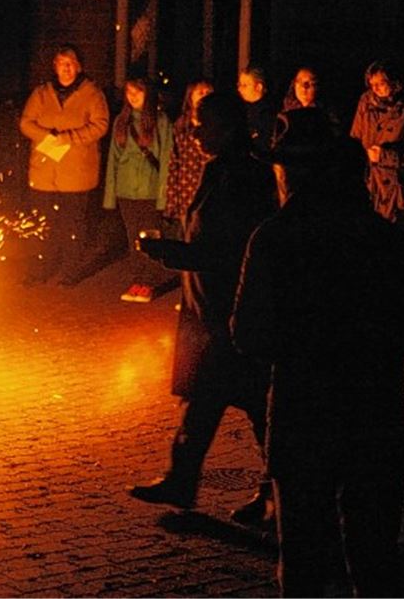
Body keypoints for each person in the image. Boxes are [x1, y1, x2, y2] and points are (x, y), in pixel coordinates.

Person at [230, 108, 404, 596]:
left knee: (305, 565)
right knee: (375, 565)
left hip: (304, 420)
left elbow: (250, 334)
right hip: (374, 420)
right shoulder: (387, 241)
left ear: (294, 173)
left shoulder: (274, 239)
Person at [129, 92, 276, 525]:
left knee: (254, 406)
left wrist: (170, 253)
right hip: (211, 310)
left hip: (231, 312)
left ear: (227, 128)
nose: (193, 132)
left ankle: (276, 494)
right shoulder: (223, 170)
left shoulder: (242, 177)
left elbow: (226, 251)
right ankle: (184, 478)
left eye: (201, 124)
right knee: (206, 400)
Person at [18, 43, 110, 287]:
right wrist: (48, 137)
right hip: (44, 173)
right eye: (61, 64)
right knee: (40, 225)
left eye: (70, 64)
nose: (66, 69)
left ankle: (70, 272)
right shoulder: (41, 93)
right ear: (55, 67)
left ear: (78, 67)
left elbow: (100, 125)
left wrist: (68, 138)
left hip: (76, 174)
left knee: (72, 226)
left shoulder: (92, 94)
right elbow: (26, 123)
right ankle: (39, 270)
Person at [102, 76, 171, 303]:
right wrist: (110, 196)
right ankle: (138, 279)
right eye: (129, 93)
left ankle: (150, 281)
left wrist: (163, 198)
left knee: (150, 236)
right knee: (133, 238)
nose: (132, 97)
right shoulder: (121, 121)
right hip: (126, 190)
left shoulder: (160, 121)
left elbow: (166, 159)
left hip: (149, 190)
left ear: (147, 94)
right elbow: (113, 158)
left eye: (137, 93)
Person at [349, 60, 404, 224]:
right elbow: (355, 138)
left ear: (394, 82)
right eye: (372, 84)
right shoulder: (365, 102)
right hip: (368, 183)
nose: (375, 88)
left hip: (394, 188)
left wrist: (386, 156)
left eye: (381, 83)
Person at [164, 79, 213, 240]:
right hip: (186, 192)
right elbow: (174, 163)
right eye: (200, 92)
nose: (204, 96)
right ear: (190, 96)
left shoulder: (216, 125)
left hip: (207, 193)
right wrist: (171, 201)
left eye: (208, 93)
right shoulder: (181, 124)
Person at [280, 67, 339, 132]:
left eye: (311, 82)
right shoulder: (284, 116)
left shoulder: (327, 117)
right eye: (299, 81)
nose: (304, 87)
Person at [237, 65, 276, 156]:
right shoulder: (240, 109)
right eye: (239, 85)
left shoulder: (269, 114)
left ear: (258, 87)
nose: (239, 89)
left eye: (245, 85)